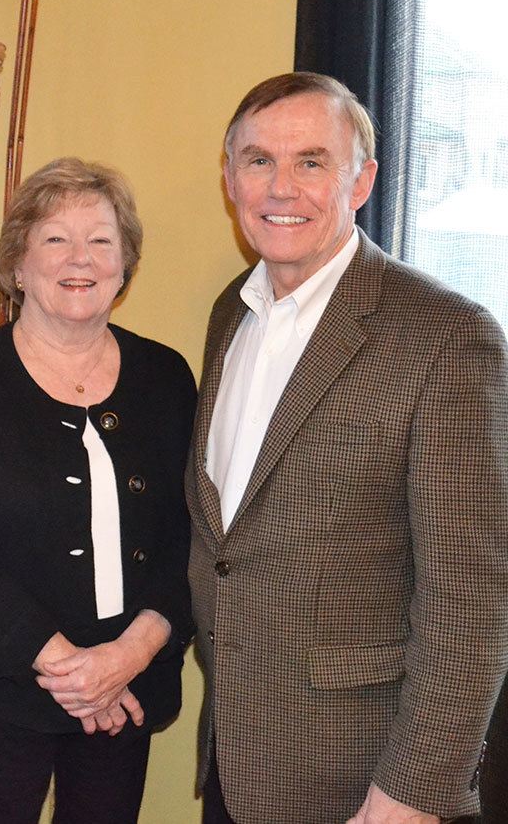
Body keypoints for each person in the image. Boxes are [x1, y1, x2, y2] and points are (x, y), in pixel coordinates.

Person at [188, 72, 508, 824]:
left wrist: (413, 793)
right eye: (259, 160)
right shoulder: (228, 316)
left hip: (366, 785)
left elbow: (471, 603)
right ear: (229, 177)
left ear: (360, 179)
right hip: (235, 764)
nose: (281, 185)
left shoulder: (447, 336)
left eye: (312, 161)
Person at [0, 158, 196, 824]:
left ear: (124, 266)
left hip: (125, 684)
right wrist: (69, 668)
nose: (81, 258)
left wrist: (128, 654)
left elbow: (193, 534)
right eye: (55, 239)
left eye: (101, 240)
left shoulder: (166, 377)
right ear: (17, 265)